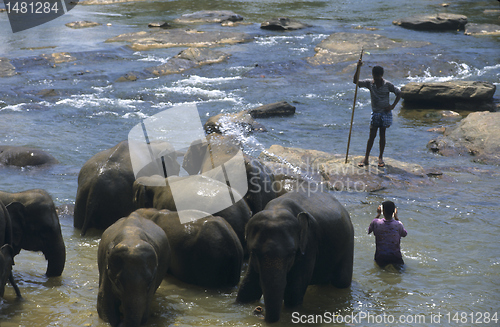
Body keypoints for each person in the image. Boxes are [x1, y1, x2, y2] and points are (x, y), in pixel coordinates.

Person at [353, 60, 402, 167]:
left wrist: (392, 106)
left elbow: (399, 93)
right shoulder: (369, 83)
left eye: (378, 78)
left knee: (382, 135)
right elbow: (355, 81)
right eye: (375, 77)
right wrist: (358, 67)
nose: (376, 80)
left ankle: (380, 158)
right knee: (371, 135)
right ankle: (366, 158)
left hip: (385, 113)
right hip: (375, 113)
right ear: (373, 75)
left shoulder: (387, 85)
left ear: (382, 76)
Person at [368, 201, 407, 268]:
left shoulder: (376, 222)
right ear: (393, 212)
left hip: (381, 257)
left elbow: (369, 231)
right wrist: (396, 217)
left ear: (383, 211)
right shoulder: (398, 224)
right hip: (395, 257)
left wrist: (378, 214)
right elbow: (404, 234)